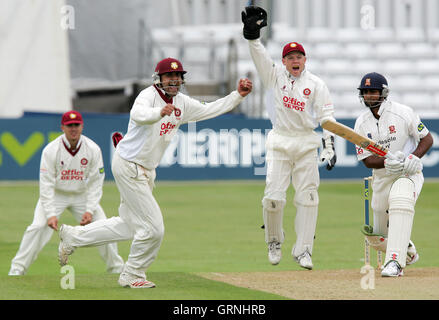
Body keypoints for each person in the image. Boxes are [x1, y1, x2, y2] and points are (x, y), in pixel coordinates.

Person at [57, 57, 253, 288]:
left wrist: (237, 95)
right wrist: (159, 112)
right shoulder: (147, 96)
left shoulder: (182, 102)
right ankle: (132, 274)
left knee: (129, 225)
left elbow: (209, 109)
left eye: (177, 76)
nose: (174, 80)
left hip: (145, 170)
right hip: (129, 165)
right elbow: (138, 115)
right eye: (169, 76)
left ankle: (73, 237)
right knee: (154, 229)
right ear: (159, 79)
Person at [241, 6, 337, 270]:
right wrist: (252, 37)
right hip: (280, 142)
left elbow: (327, 116)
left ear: (305, 60)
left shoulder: (316, 85)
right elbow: (259, 57)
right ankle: (274, 241)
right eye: (290, 57)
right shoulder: (274, 76)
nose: (295, 60)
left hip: (306, 143)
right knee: (273, 198)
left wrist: (329, 146)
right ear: (284, 61)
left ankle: (304, 250)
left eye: (299, 57)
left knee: (308, 198)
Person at [9, 111, 124, 276]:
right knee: (37, 227)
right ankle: (17, 270)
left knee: (104, 226)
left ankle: (116, 269)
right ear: (62, 127)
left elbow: (96, 182)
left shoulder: (92, 149)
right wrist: (50, 214)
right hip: (57, 195)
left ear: (82, 126)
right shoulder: (51, 150)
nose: (73, 129)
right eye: (69, 126)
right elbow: (46, 183)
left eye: (76, 125)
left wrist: (90, 210)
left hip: (82, 195)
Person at [354, 72, 433, 277]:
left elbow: (427, 139)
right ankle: (407, 251)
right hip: (382, 178)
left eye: (373, 91)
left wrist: (412, 158)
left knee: (401, 201)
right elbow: (367, 161)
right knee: (378, 236)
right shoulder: (361, 123)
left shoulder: (403, 113)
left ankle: (395, 263)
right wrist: (388, 162)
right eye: (365, 92)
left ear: (384, 92)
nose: (369, 96)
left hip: (408, 173)